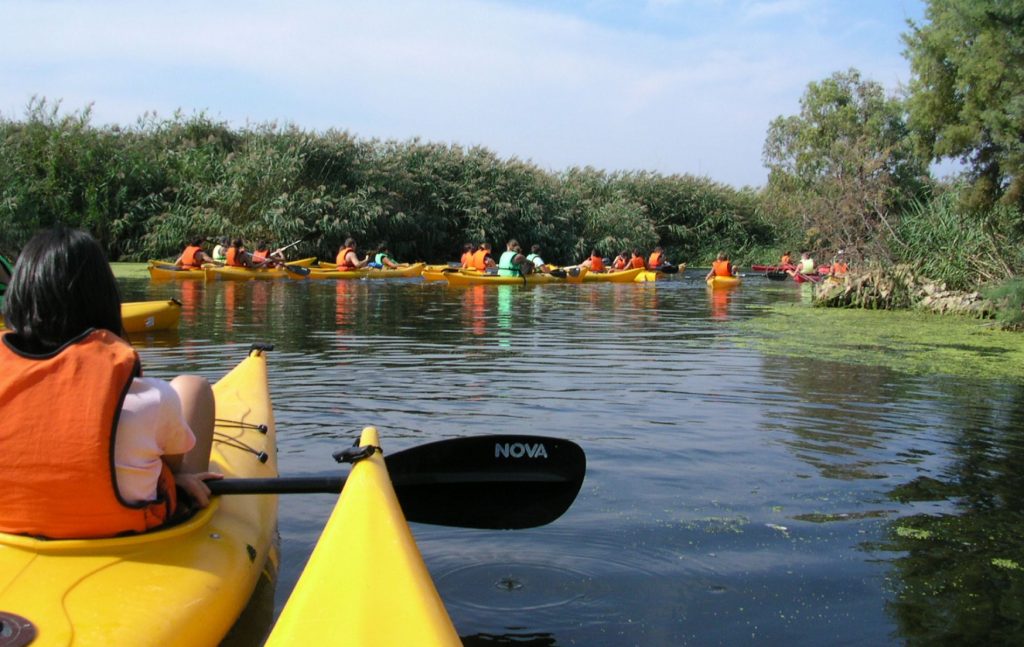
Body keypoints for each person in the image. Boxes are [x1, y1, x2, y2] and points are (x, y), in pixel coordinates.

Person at [0, 227, 221, 540]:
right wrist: (178, 473)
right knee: (193, 386)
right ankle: (192, 489)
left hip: (13, 533)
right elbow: (170, 462)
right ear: (105, 298)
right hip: (125, 535)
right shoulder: (153, 399)